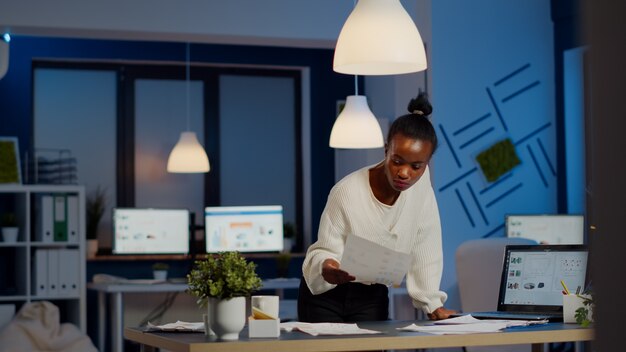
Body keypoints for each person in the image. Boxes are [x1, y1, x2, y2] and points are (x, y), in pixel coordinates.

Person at [298, 92, 455, 322]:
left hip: (372, 294)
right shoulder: (347, 191)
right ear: (386, 150)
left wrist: (431, 304)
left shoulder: (421, 187)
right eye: (397, 161)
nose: (404, 173)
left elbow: (426, 244)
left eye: (416, 166)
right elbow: (326, 248)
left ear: (426, 164)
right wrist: (328, 266)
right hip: (326, 295)